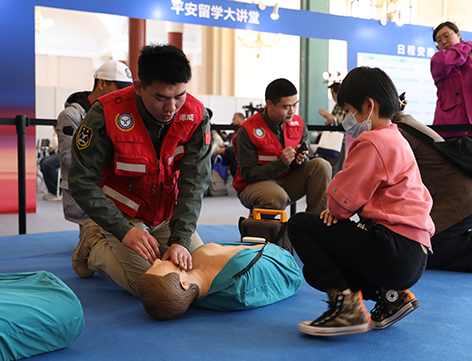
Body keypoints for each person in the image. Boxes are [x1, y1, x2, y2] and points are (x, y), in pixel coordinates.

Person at [287, 67, 434, 337]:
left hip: (393, 249)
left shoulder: (373, 141)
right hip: (415, 254)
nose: (346, 118)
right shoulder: (397, 139)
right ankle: (391, 297)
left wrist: (337, 209)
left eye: (347, 110)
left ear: (369, 105)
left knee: (300, 225)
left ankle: (347, 310)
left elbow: (339, 204)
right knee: (315, 270)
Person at [68, 44, 211, 297]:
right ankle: (94, 243)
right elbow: (82, 181)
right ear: (137, 87)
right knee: (149, 286)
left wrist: (180, 239)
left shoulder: (196, 116)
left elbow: (194, 182)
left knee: (198, 271)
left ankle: (163, 240)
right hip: (122, 215)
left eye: (179, 95)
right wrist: (123, 230)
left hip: (165, 215)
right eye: (160, 97)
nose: (171, 107)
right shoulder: (106, 114)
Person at [392, 109, 472, 273]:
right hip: (469, 197)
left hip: (461, 203)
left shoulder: (397, 133)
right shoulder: (405, 123)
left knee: (410, 251)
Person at [232, 78, 331, 214]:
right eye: (286, 107)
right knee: (275, 198)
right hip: (253, 185)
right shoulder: (247, 130)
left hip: (286, 181)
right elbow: (249, 175)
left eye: (295, 105)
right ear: (269, 105)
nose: (292, 111)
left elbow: (303, 165)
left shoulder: (299, 124)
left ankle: (313, 226)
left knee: (322, 165)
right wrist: (282, 163)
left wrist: (299, 160)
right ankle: (257, 230)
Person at [137, 242, 304, 321]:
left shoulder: (188, 265)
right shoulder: (240, 283)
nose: (157, 261)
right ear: (184, 283)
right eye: (161, 267)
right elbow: (292, 271)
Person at [55, 60, 134, 222]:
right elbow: (71, 159)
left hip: (114, 191)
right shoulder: (71, 116)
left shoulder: (119, 115)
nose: (123, 96)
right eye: (119, 89)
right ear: (102, 84)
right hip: (86, 191)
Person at [317, 82, 346, 177]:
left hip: (339, 141)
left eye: (331, 93)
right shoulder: (338, 105)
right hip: (335, 141)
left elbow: (338, 121)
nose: (331, 96)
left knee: (335, 169)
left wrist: (326, 114)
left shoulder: (342, 105)